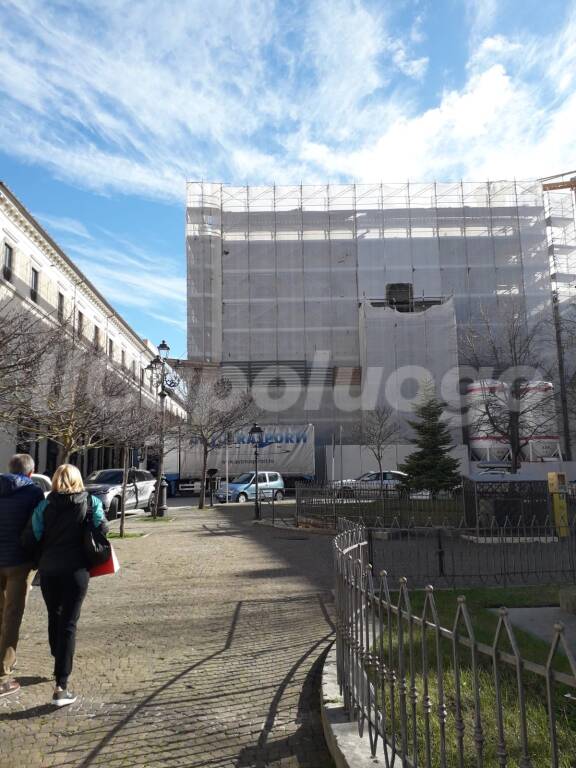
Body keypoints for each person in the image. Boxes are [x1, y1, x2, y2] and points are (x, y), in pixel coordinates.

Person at [32, 464, 107, 707]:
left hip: (49, 569)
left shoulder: (45, 505)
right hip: (76, 570)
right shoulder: (91, 502)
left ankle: (58, 655)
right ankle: (61, 685)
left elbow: (34, 533)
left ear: (54, 481)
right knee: (69, 623)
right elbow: (102, 527)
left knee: (54, 615)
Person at [0, 453, 44, 698]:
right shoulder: (33, 492)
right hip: (19, 561)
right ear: (30, 472)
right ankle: (3, 673)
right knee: (12, 615)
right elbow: (37, 526)